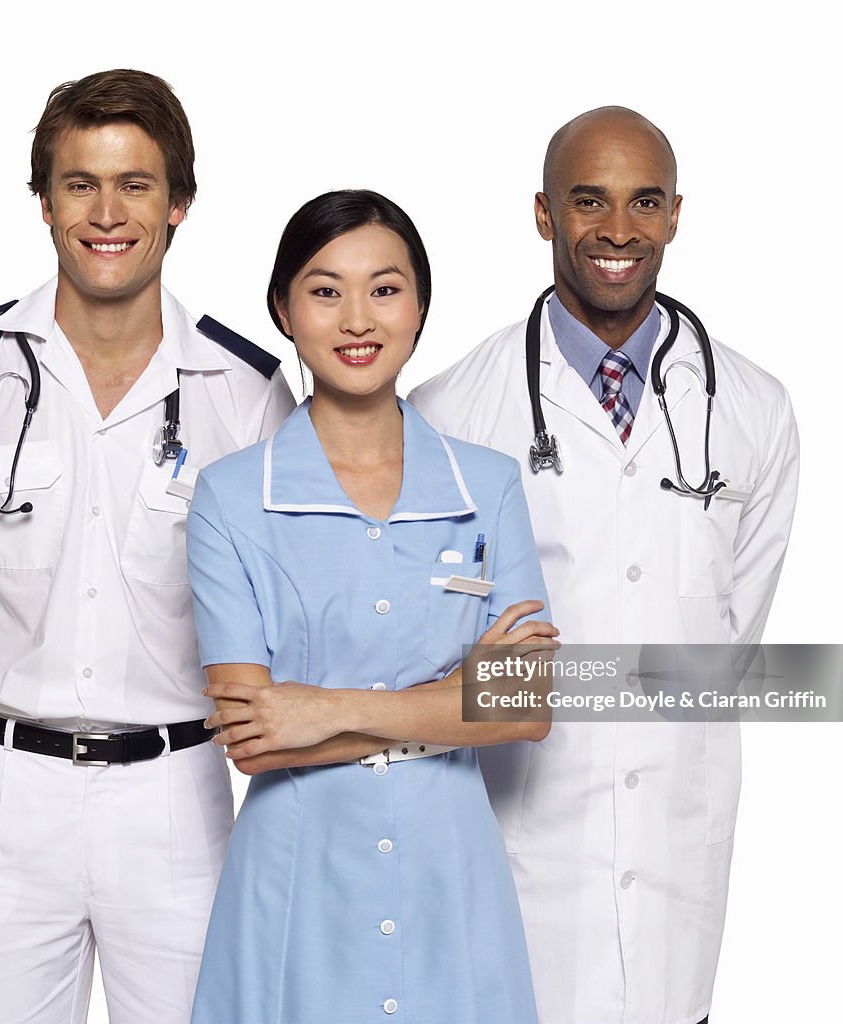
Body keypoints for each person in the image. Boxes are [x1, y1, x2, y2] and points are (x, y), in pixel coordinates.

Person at [0, 69, 295, 1024]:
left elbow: (279, 613)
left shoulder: (246, 391)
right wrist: (32, 729)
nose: (107, 213)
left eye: (136, 184)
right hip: (10, 795)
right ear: (45, 202)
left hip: (179, 794)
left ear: (179, 202)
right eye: (80, 184)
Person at [408, 107, 800, 1024]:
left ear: (673, 215)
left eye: (643, 203)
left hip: (676, 859)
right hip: (515, 853)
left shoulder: (754, 408)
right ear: (544, 214)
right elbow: (432, 649)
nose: (617, 231)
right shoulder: (448, 411)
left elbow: (730, 642)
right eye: (589, 201)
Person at [185, 189, 559, 1023]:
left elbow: (526, 711)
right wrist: (452, 700)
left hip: (449, 871)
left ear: (420, 306)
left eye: (385, 289)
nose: (357, 318)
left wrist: (323, 709)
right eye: (325, 291)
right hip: (297, 876)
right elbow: (257, 741)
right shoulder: (232, 499)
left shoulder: (488, 485)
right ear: (283, 309)